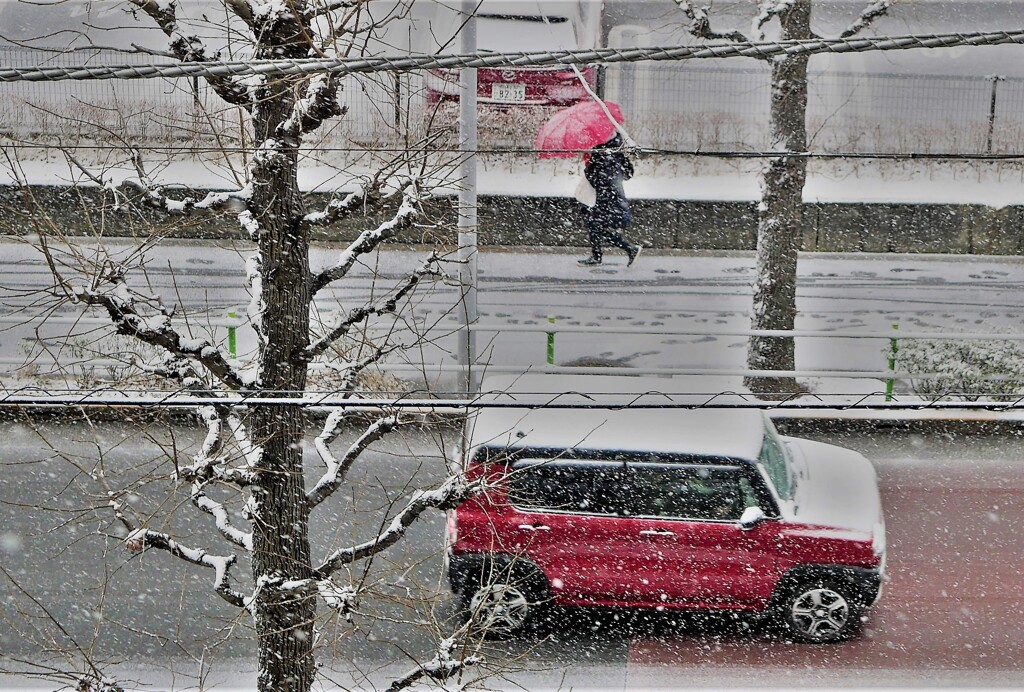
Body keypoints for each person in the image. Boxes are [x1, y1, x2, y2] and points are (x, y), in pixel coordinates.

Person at [578, 133, 642, 267]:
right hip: (615, 196)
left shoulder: (600, 153)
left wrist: (589, 166)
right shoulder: (616, 151)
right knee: (594, 225)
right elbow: (628, 173)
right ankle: (600, 255)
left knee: (594, 225)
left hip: (605, 198)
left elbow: (598, 180)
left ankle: (629, 249)